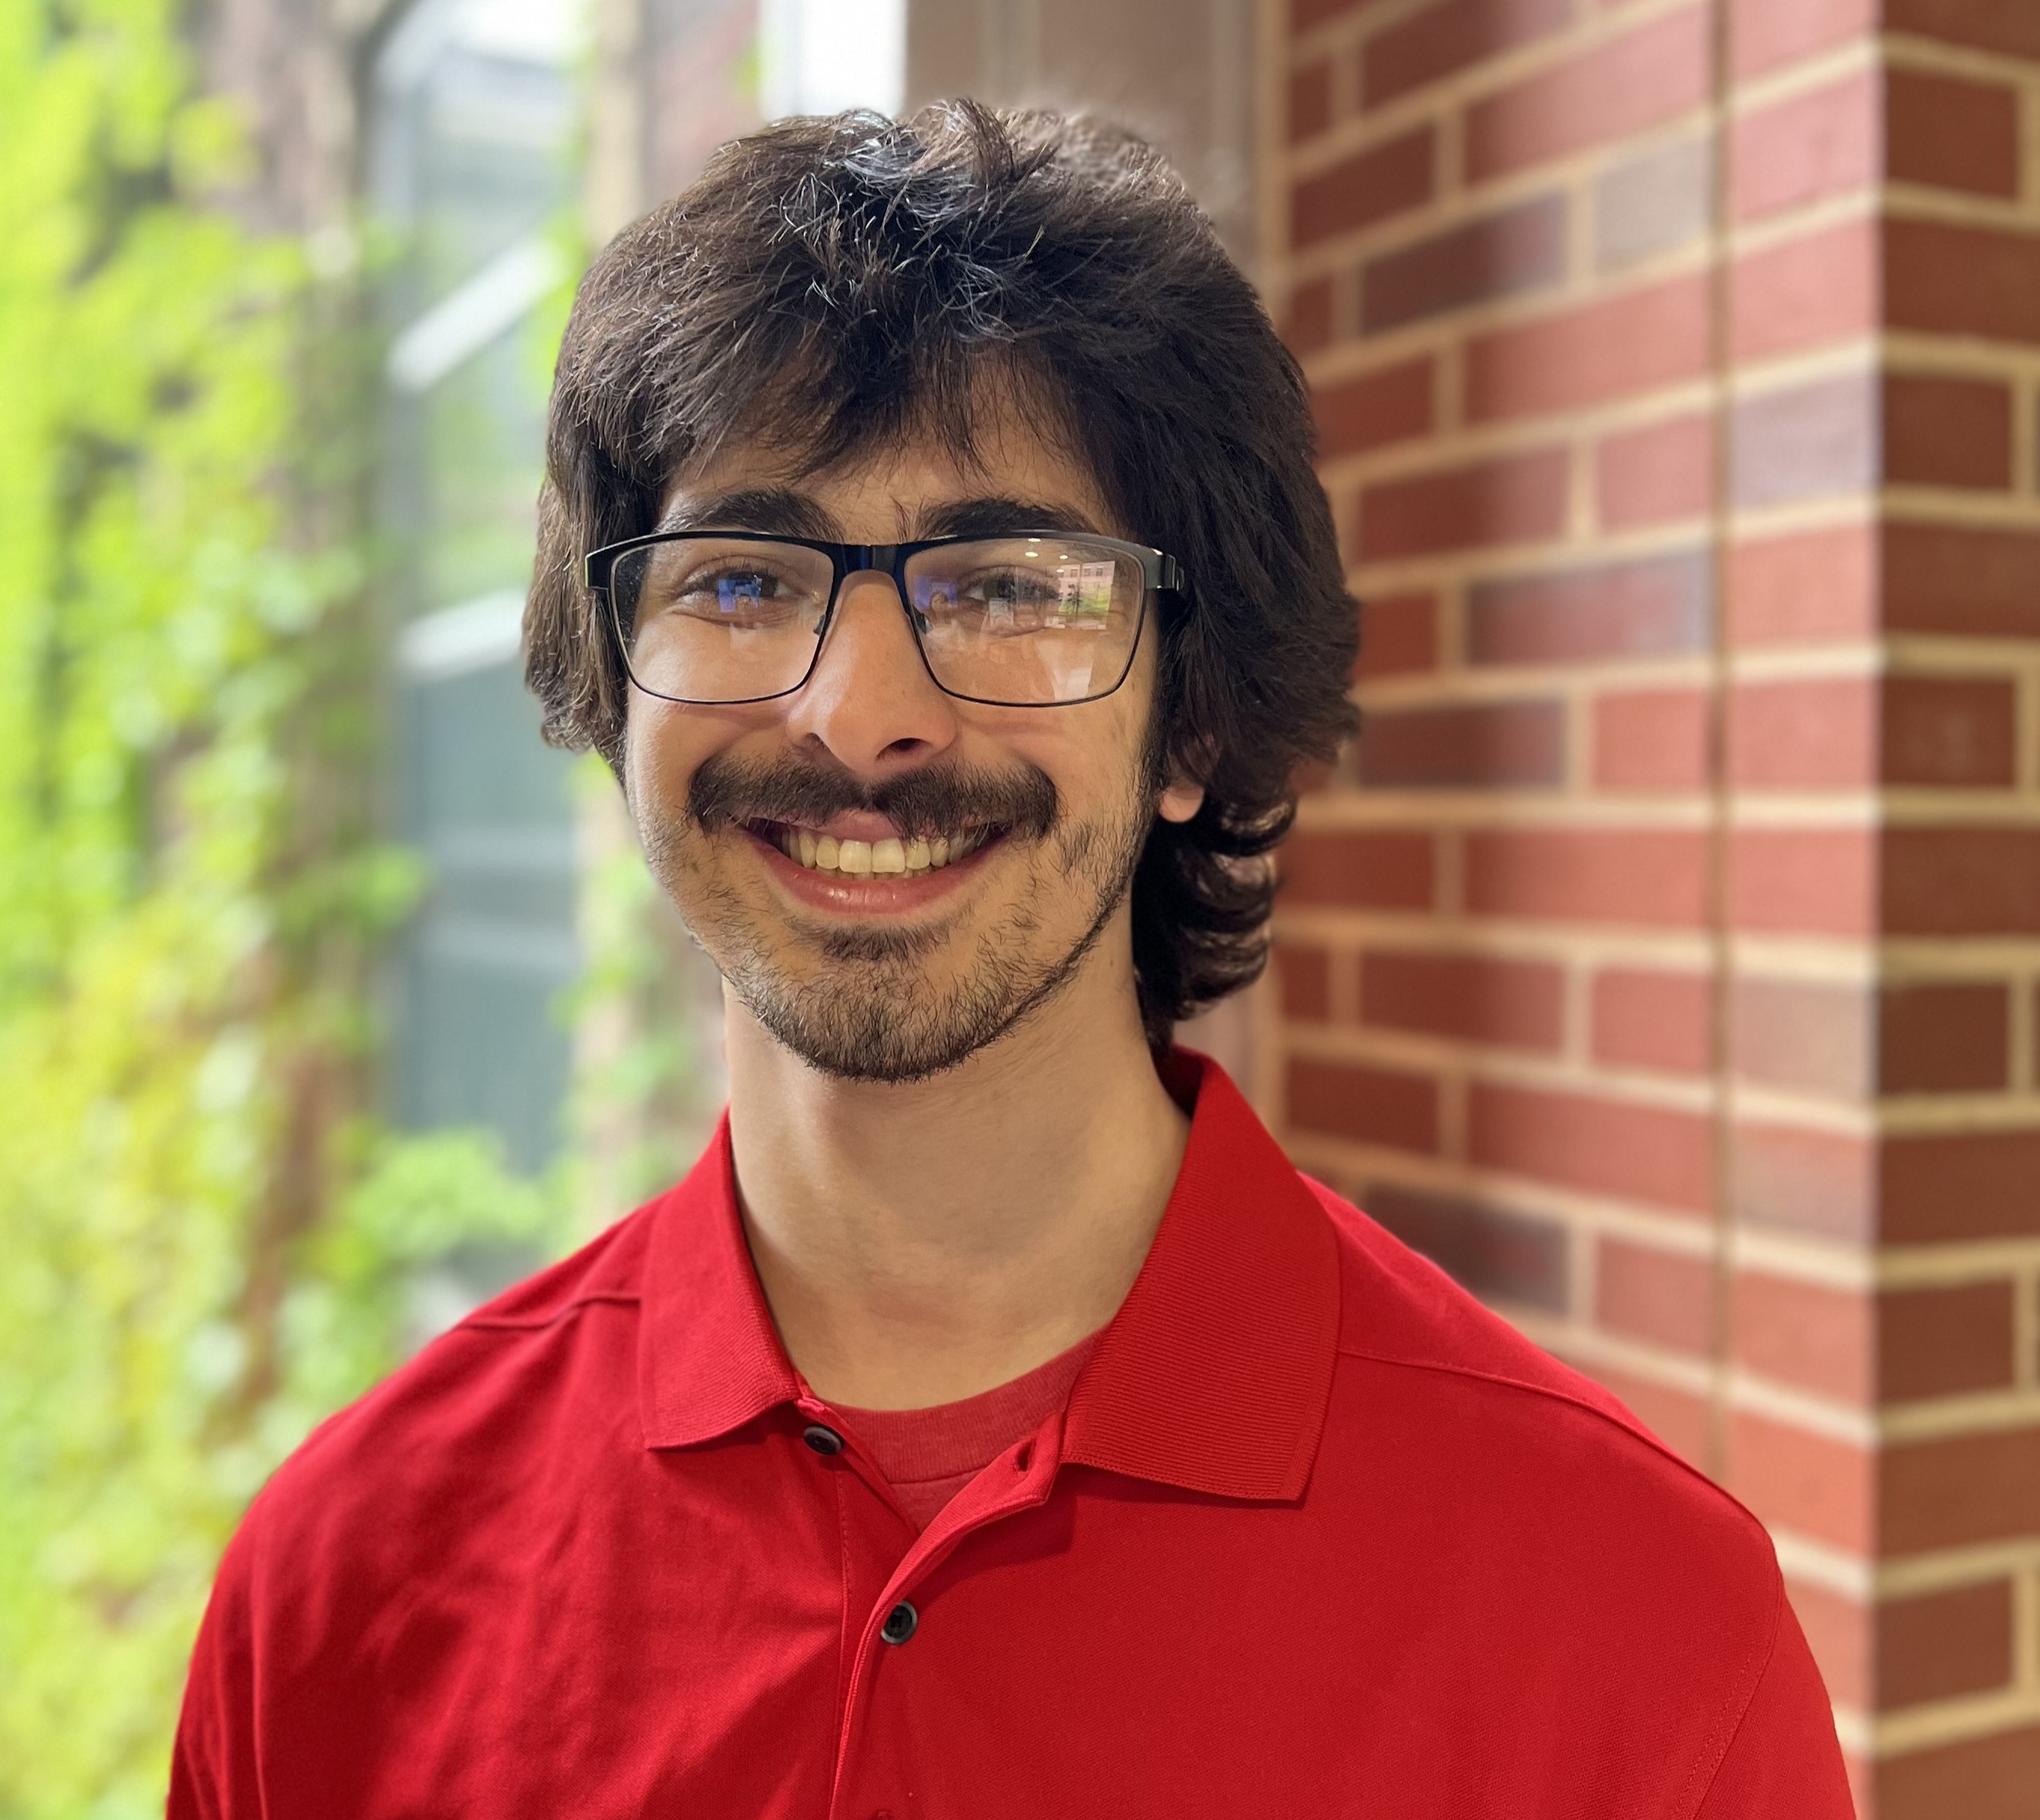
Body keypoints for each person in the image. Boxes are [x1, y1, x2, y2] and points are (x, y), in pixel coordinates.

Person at [169, 102, 1853, 1818]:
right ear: (617, 686)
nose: (859, 717)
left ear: (1192, 723)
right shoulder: (341, 1594)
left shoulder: (1639, 1642)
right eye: (741, 582)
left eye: (1006, 587)